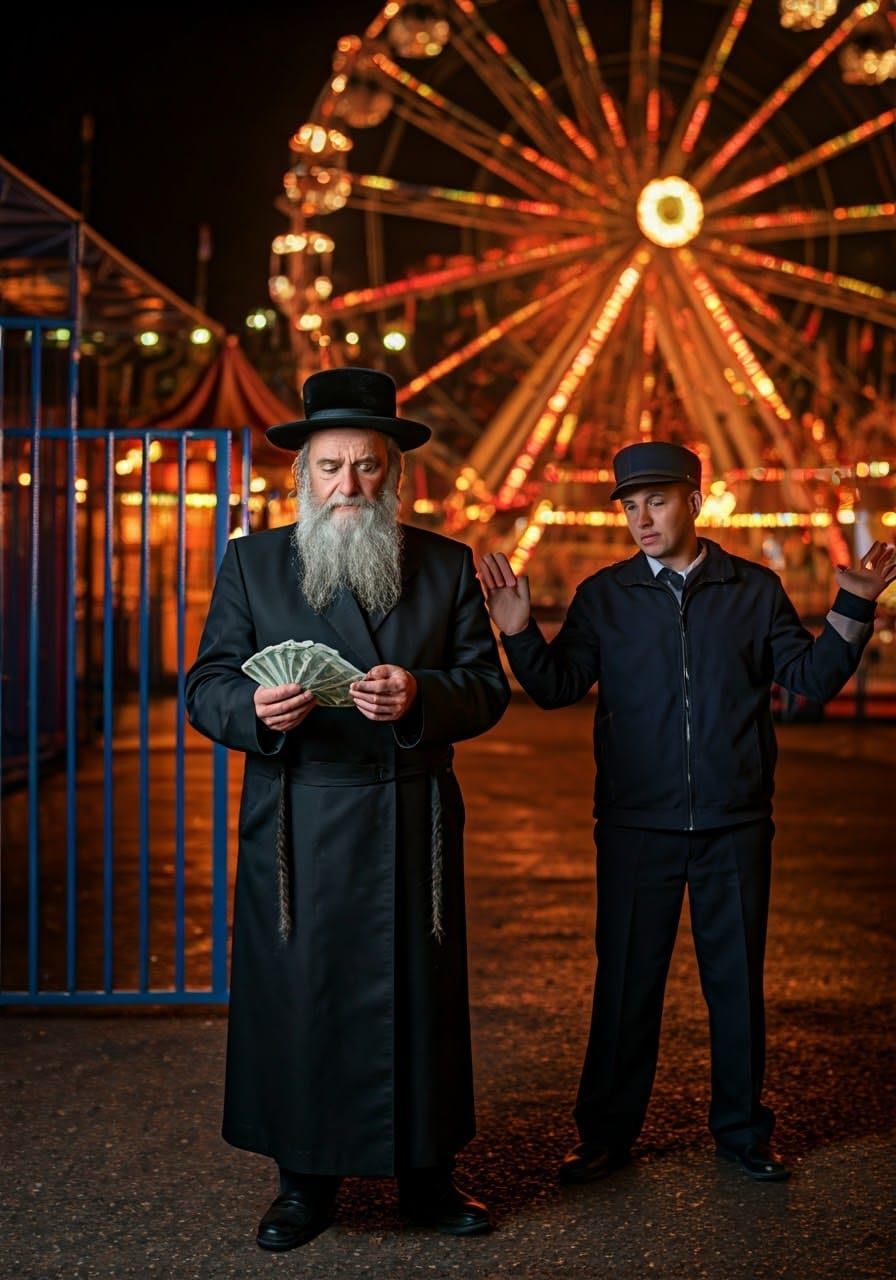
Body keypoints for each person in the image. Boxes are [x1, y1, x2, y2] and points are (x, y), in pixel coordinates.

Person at [479, 440, 896, 1185]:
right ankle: (605, 1135)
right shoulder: (603, 596)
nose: (641, 518)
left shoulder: (753, 589)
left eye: (657, 500)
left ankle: (742, 1132)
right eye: (630, 505)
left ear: (694, 499)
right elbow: (556, 687)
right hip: (637, 824)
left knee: (735, 985)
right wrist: (516, 631)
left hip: (735, 822)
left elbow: (808, 678)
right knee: (625, 985)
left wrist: (853, 608)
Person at [186, 367, 509, 1250]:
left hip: (410, 819)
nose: (348, 486)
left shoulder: (443, 565)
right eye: (331, 467)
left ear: (394, 475)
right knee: (301, 997)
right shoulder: (253, 560)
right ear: (304, 473)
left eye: (367, 468)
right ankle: (303, 1183)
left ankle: (428, 1176)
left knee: (419, 998)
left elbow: (486, 689)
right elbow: (206, 684)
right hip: (299, 820)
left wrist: (422, 698)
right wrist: (251, 712)